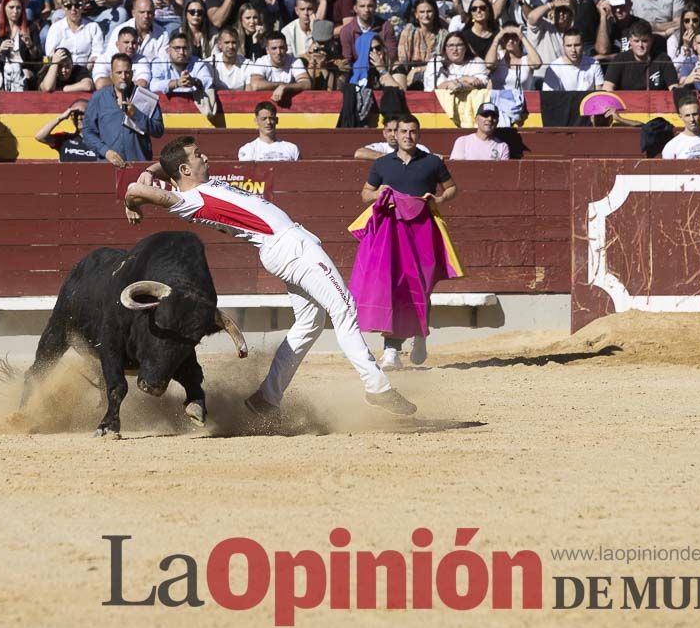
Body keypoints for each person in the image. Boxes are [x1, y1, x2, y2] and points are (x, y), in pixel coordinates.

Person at [125, 136, 419, 416]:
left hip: (286, 247)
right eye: (198, 155)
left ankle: (267, 397)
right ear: (186, 169)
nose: (205, 156)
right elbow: (135, 191)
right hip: (290, 247)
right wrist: (133, 200)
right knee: (344, 308)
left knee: (309, 324)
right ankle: (376, 386)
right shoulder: (190, 200)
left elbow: (162, 171)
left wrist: (150, 169)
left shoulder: (203, 187)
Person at [357, 114, 457, 369]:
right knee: (395, 289)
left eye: (412, 132)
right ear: (395, 134)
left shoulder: (432, 162)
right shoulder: (382, 164)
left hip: (422, 232)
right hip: (392, 233)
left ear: (418, 134)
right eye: (403, 131)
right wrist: (377, 193)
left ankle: (421, 333)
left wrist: (440, 200)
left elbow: (451, 188)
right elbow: (365, 194)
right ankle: (391, 350)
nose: (407, 136)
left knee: (421, 288)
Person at [83, 53, 165, 166]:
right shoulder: (99, 98)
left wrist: (137, 115)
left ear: (132, 74)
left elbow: (158, 130)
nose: (123, 76)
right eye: (119, 72)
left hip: (138, 164)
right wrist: (105, 151)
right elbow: (88, 131)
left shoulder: (146, 97)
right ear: (111, 74)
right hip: (108, 165)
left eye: (127, 72)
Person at [602, 20, 679, 91]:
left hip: (656, 103)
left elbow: (673, 87)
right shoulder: (619, 59)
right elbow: (607, 87)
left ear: (651, 40)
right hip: (625, 104)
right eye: (636, 41)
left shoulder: (663, 59)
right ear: (630, 41)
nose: (640, 45)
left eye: (644, 41)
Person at [247, 33, 310, 100]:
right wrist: (281, 85)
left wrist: (285, 87)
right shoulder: (261, 61)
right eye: (274, 48)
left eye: (281, 48)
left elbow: (306, 84)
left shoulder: (295, 61)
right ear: (267, 50)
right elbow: (255, 85)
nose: (278, 52)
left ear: (287, 48)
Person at [91, 26, 152, 90]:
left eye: (134, 43)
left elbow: (142, 83)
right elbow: (100, 84)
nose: (130, 46)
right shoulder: (104, 59)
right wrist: (128, 83)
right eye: (126, 42)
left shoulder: (142, 60)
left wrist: (114, 81)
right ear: (117, 44)